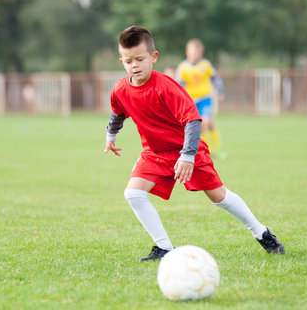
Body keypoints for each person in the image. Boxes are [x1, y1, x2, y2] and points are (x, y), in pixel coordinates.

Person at [104, 26, 284, 262]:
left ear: (154, 57)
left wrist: (187, 156)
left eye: (140, 59)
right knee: (133, 193)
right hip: (155, 153)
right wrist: (111, 135)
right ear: (121, 61)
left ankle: (261, 232)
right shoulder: (120, 89)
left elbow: (193, 120)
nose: (134, 65)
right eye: (128, 61)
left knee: (218, 196)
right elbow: (117, 112)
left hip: (188, 150)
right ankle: (164, 247)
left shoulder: (166, 86)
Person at [176, 39, 226, 159]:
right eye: (192, 52)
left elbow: (215, 79)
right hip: (192, 101)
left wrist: (220, 91)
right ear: (187, 52)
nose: (195, 54)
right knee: (200, 127)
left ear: (201, 53)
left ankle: (219, 148)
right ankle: (208, 150)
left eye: (197, 52)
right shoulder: (183, 67)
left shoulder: (205, 65)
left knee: (208, 122)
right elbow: (179, 85)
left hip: (205, 98)